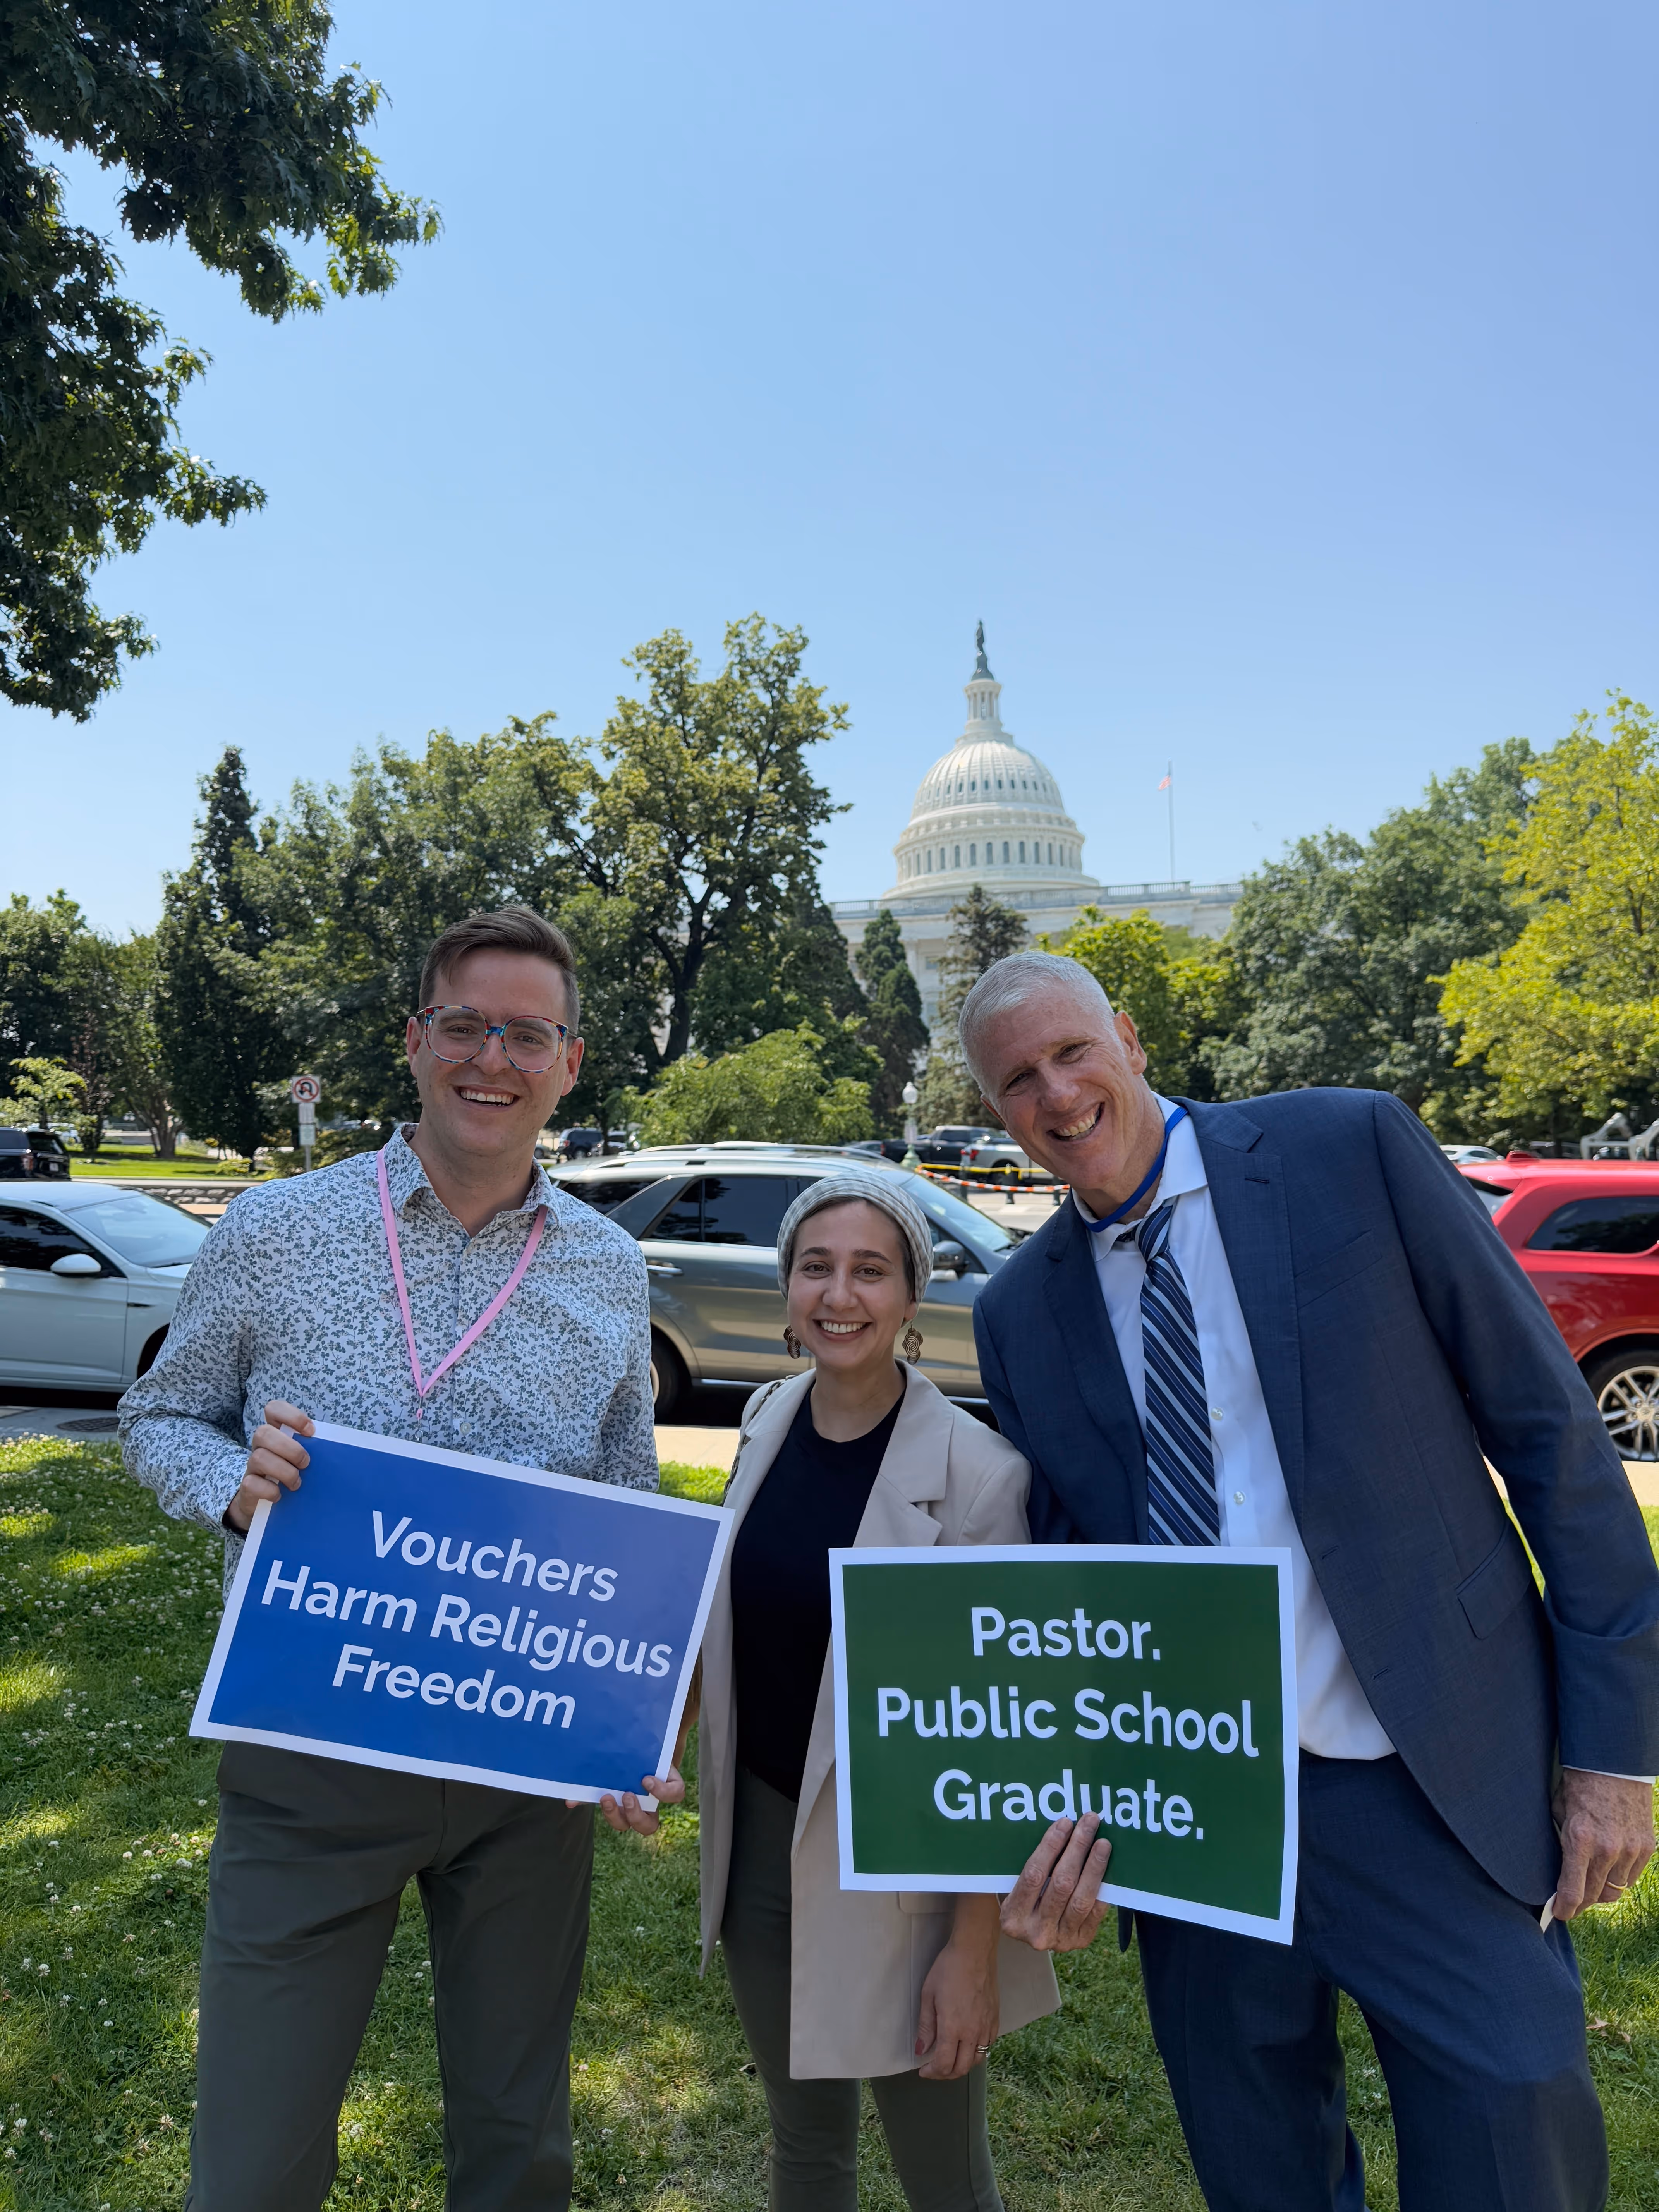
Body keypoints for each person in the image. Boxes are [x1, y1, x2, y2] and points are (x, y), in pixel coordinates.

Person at [959, 950, 1659, 2212]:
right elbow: (1069, 1594)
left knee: (1515, 2132)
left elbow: (1550, 1432)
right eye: (1016, 1080)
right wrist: (1063, 1823)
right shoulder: (1018, 1311)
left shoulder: (1347, 1149)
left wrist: (1614, 1753)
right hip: (1199, 1820)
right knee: (1259, 2169)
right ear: (995, 1110)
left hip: (1428, 1774)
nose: (1056, 1094)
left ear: (1126, 1034)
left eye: (1071, 1052)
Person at [119, 905, 656, 2212]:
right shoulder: (275, 1230)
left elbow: (628, 1505)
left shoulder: (610, 1268)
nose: (494, 1059)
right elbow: (158, 1414)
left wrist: (631, 1724)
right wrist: (232, 1492)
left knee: (517, 2139)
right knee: (254, 2154)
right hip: (310, 1744)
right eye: (465, 1026)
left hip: (521, 1762)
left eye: (527, 1034)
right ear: (416, 1042)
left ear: (569, 1064)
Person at [604, 1170, 1058, 2212]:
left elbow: (1000, 1745)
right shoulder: (764, 1417)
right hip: (759, 1842)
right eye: (815, 1268)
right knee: (803, 2147)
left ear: (910, 1296)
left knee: (943, 2173)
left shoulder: (981, 1476)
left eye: (868, 1271)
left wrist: (969, 1950)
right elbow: (727, 1624)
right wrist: (650, 1740)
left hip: (908, 1874)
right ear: (785, 1289)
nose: (838, 1296)